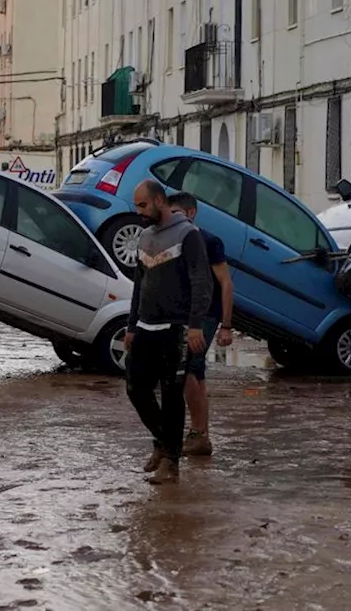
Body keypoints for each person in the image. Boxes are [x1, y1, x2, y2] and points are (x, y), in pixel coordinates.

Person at [124, 179, 213, 484]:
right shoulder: (145, 236)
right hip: (145, 327)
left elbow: (202, 282)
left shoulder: (188, 235)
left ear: (159, 201)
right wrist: (131, 325)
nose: (139, 212)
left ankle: (171, 463)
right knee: (136, 388)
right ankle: (164, 442)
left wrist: (195, 325)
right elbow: (139, 285)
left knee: (173, 395)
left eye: (143, 205)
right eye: (137, 206)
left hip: (176, 330)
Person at [168, 192, 235, 457]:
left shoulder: (209, 241)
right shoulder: (173, 241)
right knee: (196, 374)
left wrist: (226, 326)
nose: (172, 219)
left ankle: (197, 433)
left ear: (190, 213)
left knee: (188, 372)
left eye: (176, 213)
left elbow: (226, 283)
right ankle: (202, 436)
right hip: (184, 315)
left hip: (206, 315)